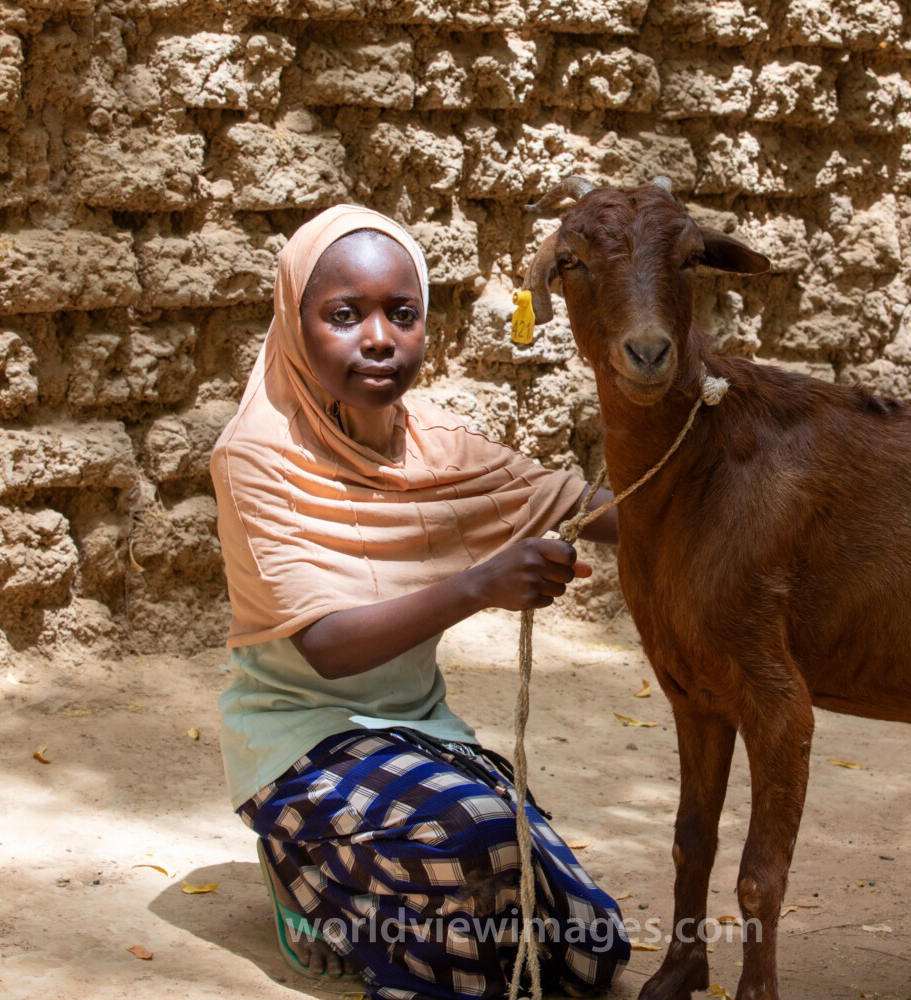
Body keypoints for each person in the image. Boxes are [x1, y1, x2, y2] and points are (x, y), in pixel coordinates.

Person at [210, 204, 631, 999]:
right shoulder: (255, 458)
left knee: (587, 945)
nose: (378, 338)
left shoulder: (439, 448)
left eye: (402, 315)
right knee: (470, 846)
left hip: (424, 738)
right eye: (344, 315)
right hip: (303, 748)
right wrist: (478, 585)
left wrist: (702, 499)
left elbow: (583, 504)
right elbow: (327, 647)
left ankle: (361, 895)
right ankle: (310, 884)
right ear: (295, 323)